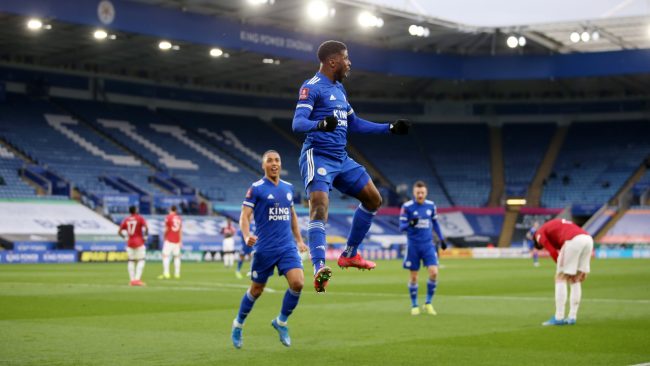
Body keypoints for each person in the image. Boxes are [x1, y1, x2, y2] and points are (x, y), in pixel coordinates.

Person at [292, 40, 411, 292]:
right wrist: (320, 125)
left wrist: (389, 128)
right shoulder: (311, 87)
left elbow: (354, 124)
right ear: (332, 61)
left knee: (373, 199)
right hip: (319, 155)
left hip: (341, 158)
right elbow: (298, 122)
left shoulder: (340, 91)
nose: (349, 63)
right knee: (320, 206)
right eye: (346, 58)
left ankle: (350, 253)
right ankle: (319, 266)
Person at [231, 150, 308, 349]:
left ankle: (281, 322)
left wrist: (299, 240)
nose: (274, 163)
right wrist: (247, 235)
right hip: (265, 248)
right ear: (263, 165)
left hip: (286, 247)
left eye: (277, 160)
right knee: (256, 290)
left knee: (298, 283)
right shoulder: (256, 189)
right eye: (270, 161)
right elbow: (244, 217)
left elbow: (292, 217)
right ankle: (238, 324)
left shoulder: (289, 188)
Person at [533, 218, 593, 326]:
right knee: (575, 279)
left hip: (573, 240)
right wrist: (581, 268)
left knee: (560, 277)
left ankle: (559, 317)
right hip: (587, 239)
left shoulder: (539, 233)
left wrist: (561, 268)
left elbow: (551, 250)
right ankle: (572, 317)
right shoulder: (555, 226)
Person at [399, 181, 447, 315]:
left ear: (426, 193)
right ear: (414, 193)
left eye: (422, 193)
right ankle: (414, 305)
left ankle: (428, 303)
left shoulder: (431, 206)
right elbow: (401, 226)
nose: (420, 195)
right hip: (413, 246)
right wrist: (410, 223)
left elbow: (435, 223)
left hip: (428, 245)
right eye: (418, 192)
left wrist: (442, 239)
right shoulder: (407, 207)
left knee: (434, 273)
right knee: (414, 277)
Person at [118, 205, 149, 286]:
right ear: (135, 210)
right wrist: (145, 237)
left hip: (130, 243)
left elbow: (119, 231)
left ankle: (132, 281)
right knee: (141, 260)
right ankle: (137, 279)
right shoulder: (140, 218)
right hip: (139, 242)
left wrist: (125, 238)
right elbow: (146, 227)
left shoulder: (126, 219)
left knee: (131, 261)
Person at [159, 205, 182, 280]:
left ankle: (166, 273)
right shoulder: (179, 218)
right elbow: (180, 230)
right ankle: (177, 274)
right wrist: (180, 241)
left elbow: (166, 228)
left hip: (169, 239)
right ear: (176, 210)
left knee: (165, 256)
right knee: (177, 257)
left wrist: (164, 236)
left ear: (170, 209)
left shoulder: (168, 217)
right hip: (177, 240)